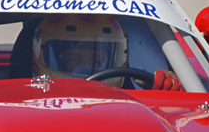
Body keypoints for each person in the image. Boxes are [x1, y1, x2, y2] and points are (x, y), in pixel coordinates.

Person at [31, 14, 183, 90]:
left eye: (95, 51)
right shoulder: (26, 105)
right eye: (73, 50)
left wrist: (169, 90)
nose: (85, 56)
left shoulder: (133, 105)